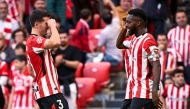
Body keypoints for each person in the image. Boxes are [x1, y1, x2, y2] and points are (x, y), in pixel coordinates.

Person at [116, 8, 162, 108]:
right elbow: (119, 44)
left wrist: (155, 90)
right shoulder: (133, 39)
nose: (126, 24)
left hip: (145, 89)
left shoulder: (148, 40)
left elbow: (157, 65)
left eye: (129, 22)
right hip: (133, 88)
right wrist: (124, 28)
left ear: (138, 23)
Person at [26, 10, 69, 109]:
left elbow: (30, 70)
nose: (48, 26)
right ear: (37, 24)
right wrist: (54, 26)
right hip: (50, 93)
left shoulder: (31, 42)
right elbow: (56, 42)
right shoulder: (34, 40)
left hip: (44, 94)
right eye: (46, 23)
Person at [54, 29, 82, 109]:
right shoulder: (54, 51)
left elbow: (76, 65)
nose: (62, 39)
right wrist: (57, 63)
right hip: (57, 84)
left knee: (71, 106)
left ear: (68, 38)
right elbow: (50, 69)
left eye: (64, 37)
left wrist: (63, 61)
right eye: (61, 38)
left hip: (70, 83)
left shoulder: (74, 49)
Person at [94, 0, 122, 66]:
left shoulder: (104, 32)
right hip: (119, 56)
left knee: (91, 59)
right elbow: (116, 12)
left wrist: (93, 50)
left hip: (112, 59)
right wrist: (110, 3)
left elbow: (99, 48)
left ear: (102, 20)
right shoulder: (116, 23)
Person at [167, 9, 190, 85]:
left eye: (183, 17)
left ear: (186, 18)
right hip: (176, 66)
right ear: (176, 19)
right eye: (179, 18)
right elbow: (168, 48)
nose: (181, 19)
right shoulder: (171, 32)